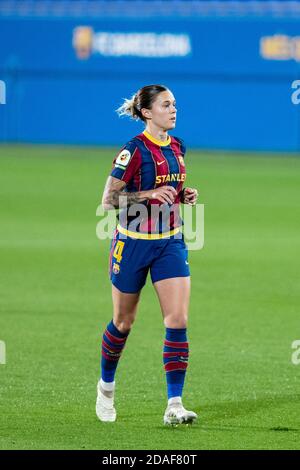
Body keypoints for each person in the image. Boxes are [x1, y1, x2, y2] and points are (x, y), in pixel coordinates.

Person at [96, 84, 199, 425]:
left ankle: (174, 404)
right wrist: (150, 194)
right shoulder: (133, 151)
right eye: (167, 105)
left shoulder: (178, 146)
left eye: (175, 104)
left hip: (170, 241)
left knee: (177, 320)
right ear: (147, 112)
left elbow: (172, 189)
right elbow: (109, 201)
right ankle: (106, 388)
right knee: (123, 322)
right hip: (133, 242)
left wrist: (182, 196)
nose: (174, 110)